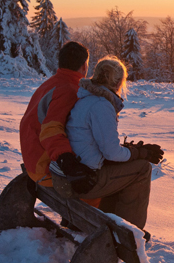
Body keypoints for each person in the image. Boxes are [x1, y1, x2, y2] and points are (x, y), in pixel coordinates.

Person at [53, 56, 163, 230]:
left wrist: (132, 151)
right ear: (118, 82)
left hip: (68, 176)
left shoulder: (85, 99)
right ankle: (130, 233)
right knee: (142, 169)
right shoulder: (101, 105)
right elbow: (111, 153)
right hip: (82, 181)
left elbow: (99, 146)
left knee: (124, 168)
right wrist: (139, 153)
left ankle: (110, 222)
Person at [19, 41, 96, 199]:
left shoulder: (51, 84)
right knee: (102, 179)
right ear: (84, 66)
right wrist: (68, 163)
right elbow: (52, 130)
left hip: (32, 160)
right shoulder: (69, 90)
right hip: (44, 168)